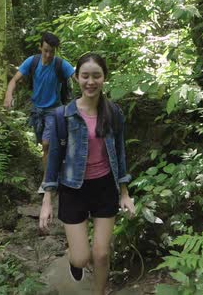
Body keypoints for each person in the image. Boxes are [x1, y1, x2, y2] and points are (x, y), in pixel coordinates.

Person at [38, 53, 136, 295]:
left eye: (96, 76)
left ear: (104, 78)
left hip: (104, 187)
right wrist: (47, 200)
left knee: (101, 254)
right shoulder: (63, 115)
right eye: (85, 76)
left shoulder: (113, 113)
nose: (90, 82)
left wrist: (125, 193)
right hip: (73, 189)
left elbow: (120, 153)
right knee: (82, 258)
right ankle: (74, 260)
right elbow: (53, 159)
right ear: (77, 78)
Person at [3, 32, 75, 169]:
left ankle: (46, 182)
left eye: (52, 52)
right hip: (36, 111)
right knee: (44, 145)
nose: (48, 55)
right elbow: (14, 80)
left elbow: (78, 77)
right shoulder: (32, 61)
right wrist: (8, 95)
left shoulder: (61, 64)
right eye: (46, 51)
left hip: (54, 110)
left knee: (47, 144)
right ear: (40, 47)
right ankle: (53, 169)